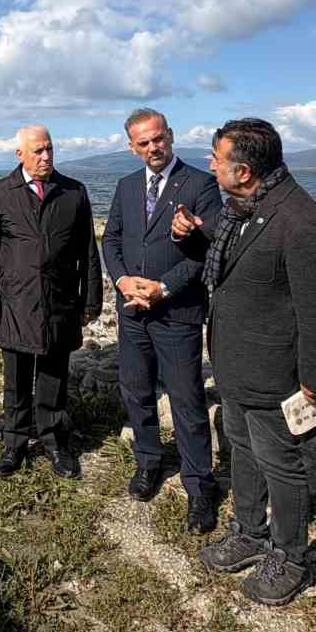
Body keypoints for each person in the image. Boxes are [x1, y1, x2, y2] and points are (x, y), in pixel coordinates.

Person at [172, 117, 316, 606]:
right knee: (243, 452)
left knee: (281, 465)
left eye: (217, 158)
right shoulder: (247, 207)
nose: (210, 164)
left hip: (276, 373)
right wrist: (194, 237)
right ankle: (249, 533)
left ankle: (289, 557)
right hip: (236, 363)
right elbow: (241, 266)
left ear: (244, 170)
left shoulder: (301, 222)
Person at [100, 107, 224, 532]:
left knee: (187, 402)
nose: (154, 147)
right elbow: (111, 239)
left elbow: (206, 251)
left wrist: (163, 288)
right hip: (132, 311)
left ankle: (199, 486)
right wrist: (121, 281)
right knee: (135, 391)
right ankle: (148, 462)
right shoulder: (126, 186)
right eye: (144, 142)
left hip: (177, 312)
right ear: (132, 148)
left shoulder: (202, 184)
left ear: (170, 136)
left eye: (159, 139)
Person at [0, 125, 103, 479]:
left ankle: (54, 441)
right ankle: (14, 443)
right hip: (15, 302)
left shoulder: (73, 193)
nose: (46, 157)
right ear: (20, 155)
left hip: (60, 302)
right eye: (38, 152)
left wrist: (91, 300)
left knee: (53, 376)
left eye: (49, 149)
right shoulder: (0, 193)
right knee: (16, 379)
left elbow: (88, 252)